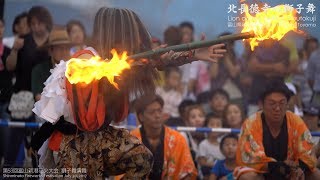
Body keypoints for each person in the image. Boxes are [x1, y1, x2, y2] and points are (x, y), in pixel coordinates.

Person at [30, 7, 226, 179]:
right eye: (129, 37)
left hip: (99, 137)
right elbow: (93, 89)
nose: (134, 43)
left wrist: (193, 54)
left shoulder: (121, 62)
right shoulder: (85, 60)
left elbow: (154, 62)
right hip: (72, 142)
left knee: (141, 159)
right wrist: (122, 69)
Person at [234, 79, 320, 180]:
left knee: (316, 175)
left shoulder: (295, 121)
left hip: (291, 172)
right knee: (247, 176)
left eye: (282, 103)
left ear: (287, 104)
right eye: (272, 103)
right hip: (264, 172)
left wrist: (299, 168)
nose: (277, 108)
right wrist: (281, 166)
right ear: (262, 104)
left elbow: (307, 154)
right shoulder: (251, 123)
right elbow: (251, 159)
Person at [4, 6, 52, 168]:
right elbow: (9, 67)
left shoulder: (52, 42)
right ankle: (8, 172)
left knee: (42, 139)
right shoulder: (23, 40)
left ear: (46, 23)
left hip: (45, 97)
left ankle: (37, 174)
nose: (36, 26)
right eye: (33, 23)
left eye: (39, 23)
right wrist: (15, 50)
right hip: (22, 96)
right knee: (15, 138)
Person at [130, 94, 197, 179]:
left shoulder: (177, 139)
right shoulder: (131, 140)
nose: (157, 115)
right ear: (141, 117)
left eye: (159, 111)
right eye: (152, 112)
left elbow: (188, 172)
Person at [31, 29, 72, 102]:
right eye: (60, 48)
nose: (64, 51)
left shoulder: (75, 69)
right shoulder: (39, 70)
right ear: (50, 51)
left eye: (67, 48)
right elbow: (39, 97)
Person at [0, 18, 13, 168]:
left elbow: (11, 69)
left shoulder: (9, 50)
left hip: (4, 100)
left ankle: (7, 170)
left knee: (5, 139)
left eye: (1, 27)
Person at [198, 113, 224, 179]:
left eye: (218, 125)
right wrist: (218, 166)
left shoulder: (223, 142)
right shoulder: (203, 144)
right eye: (212, 124)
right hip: (207, 174)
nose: (215, 127)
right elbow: (202, 163)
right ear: (206, 127)